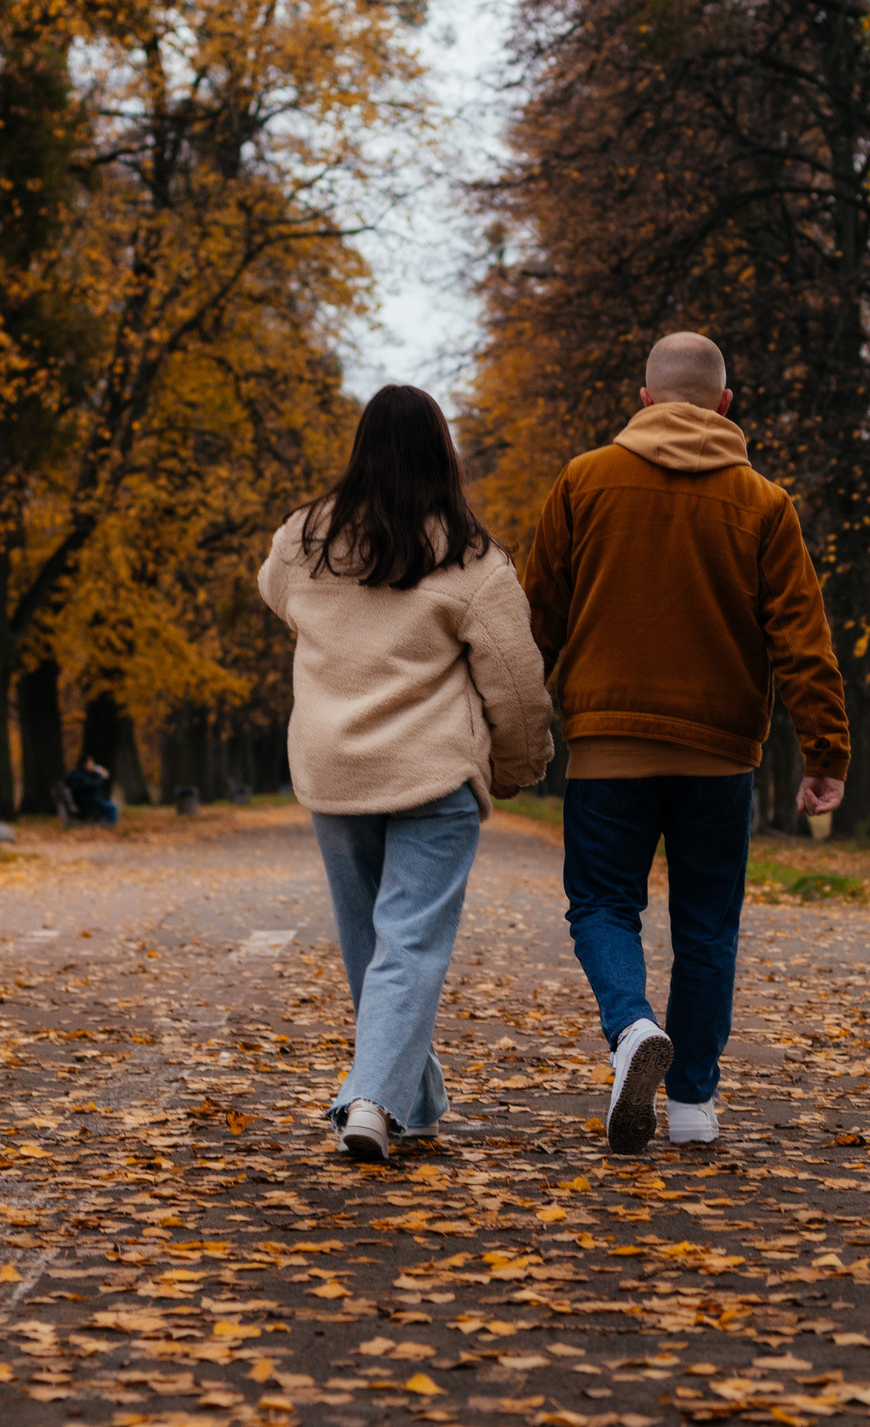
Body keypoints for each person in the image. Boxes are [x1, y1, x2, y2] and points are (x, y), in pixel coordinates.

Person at [523, 332, 848, 1154]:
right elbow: (803, 643)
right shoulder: (765, 504)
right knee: (708, 926)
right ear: (724, 406)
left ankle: (632, 1028)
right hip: (718, 757)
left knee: (602, 905)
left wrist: (520, 730)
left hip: (607, 747)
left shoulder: (584, 481)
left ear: (644, 400)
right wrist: (826, 754)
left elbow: (535, 623)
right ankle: (695, 1104)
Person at [259, 384, 555, 1164]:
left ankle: (406, 1100)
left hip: (334, 770)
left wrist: (328, 623)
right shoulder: (471, 558)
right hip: (431, 774)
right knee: (408, 947)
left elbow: (274, 591)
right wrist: (520, 766)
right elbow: (517, 684)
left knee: (373, 945)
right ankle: (375, 1098)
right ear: (442, 455)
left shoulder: (303, 541)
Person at [63, 756, 119, 825]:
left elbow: (92, 790)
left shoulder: (80, 775)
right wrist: (100, 775)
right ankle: (109, 827)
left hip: (86, 802)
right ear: (84, 764)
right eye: (91, 763)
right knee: (112, 807)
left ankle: (107, 826)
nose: (93, 765)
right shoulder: (79, 776)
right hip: (86, 804)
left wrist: (107, 796)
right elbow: (92, 787)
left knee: (111, 804)